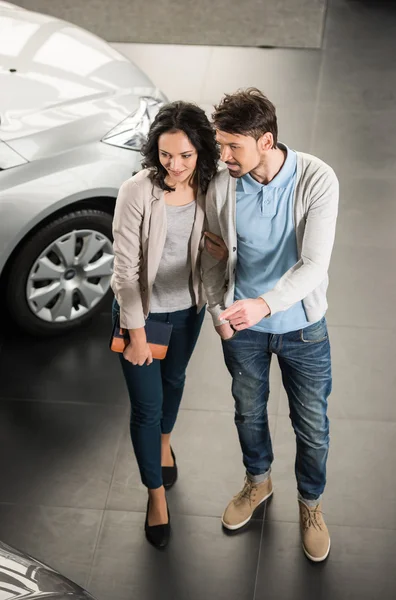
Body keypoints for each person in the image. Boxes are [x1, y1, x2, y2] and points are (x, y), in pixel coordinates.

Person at [201, 88, 339, 562]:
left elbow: (314, 265)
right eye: (220, 145)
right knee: (248, 412)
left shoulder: (317, 178)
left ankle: (311, 505)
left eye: (232, 146)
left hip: (302, 325)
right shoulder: (223, 184)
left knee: (313, 427)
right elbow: (213, 256)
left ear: (266, 140)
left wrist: (264, 304)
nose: (223, 156)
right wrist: (218, 311)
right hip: (243, 328)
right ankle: (257, 483)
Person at [111, 101, 226, 549]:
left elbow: (217, 242)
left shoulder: (212, 188)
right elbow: (124, 271)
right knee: (146, 406)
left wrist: (219, 252)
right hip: (142, 315)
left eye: (185, 156)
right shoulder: (136, 191)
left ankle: (164, 444)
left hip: (187, 310)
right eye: (164, 155)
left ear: (202, 153)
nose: (174, 166)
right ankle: (155, 496)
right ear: (153, 152)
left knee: (174, 381)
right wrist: (135, 333)